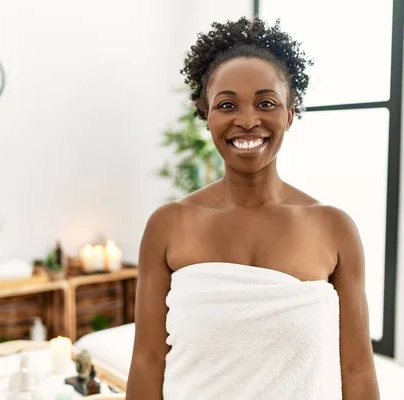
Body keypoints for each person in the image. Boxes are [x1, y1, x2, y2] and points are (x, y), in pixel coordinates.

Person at [126, 17, 379, 400]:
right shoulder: (169, 226)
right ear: (206, 115)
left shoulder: (333, 228)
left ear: (290, 113)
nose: (247, 121)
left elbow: (357, 369)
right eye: (227, 105)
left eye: (266, 103)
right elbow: (147, 360)